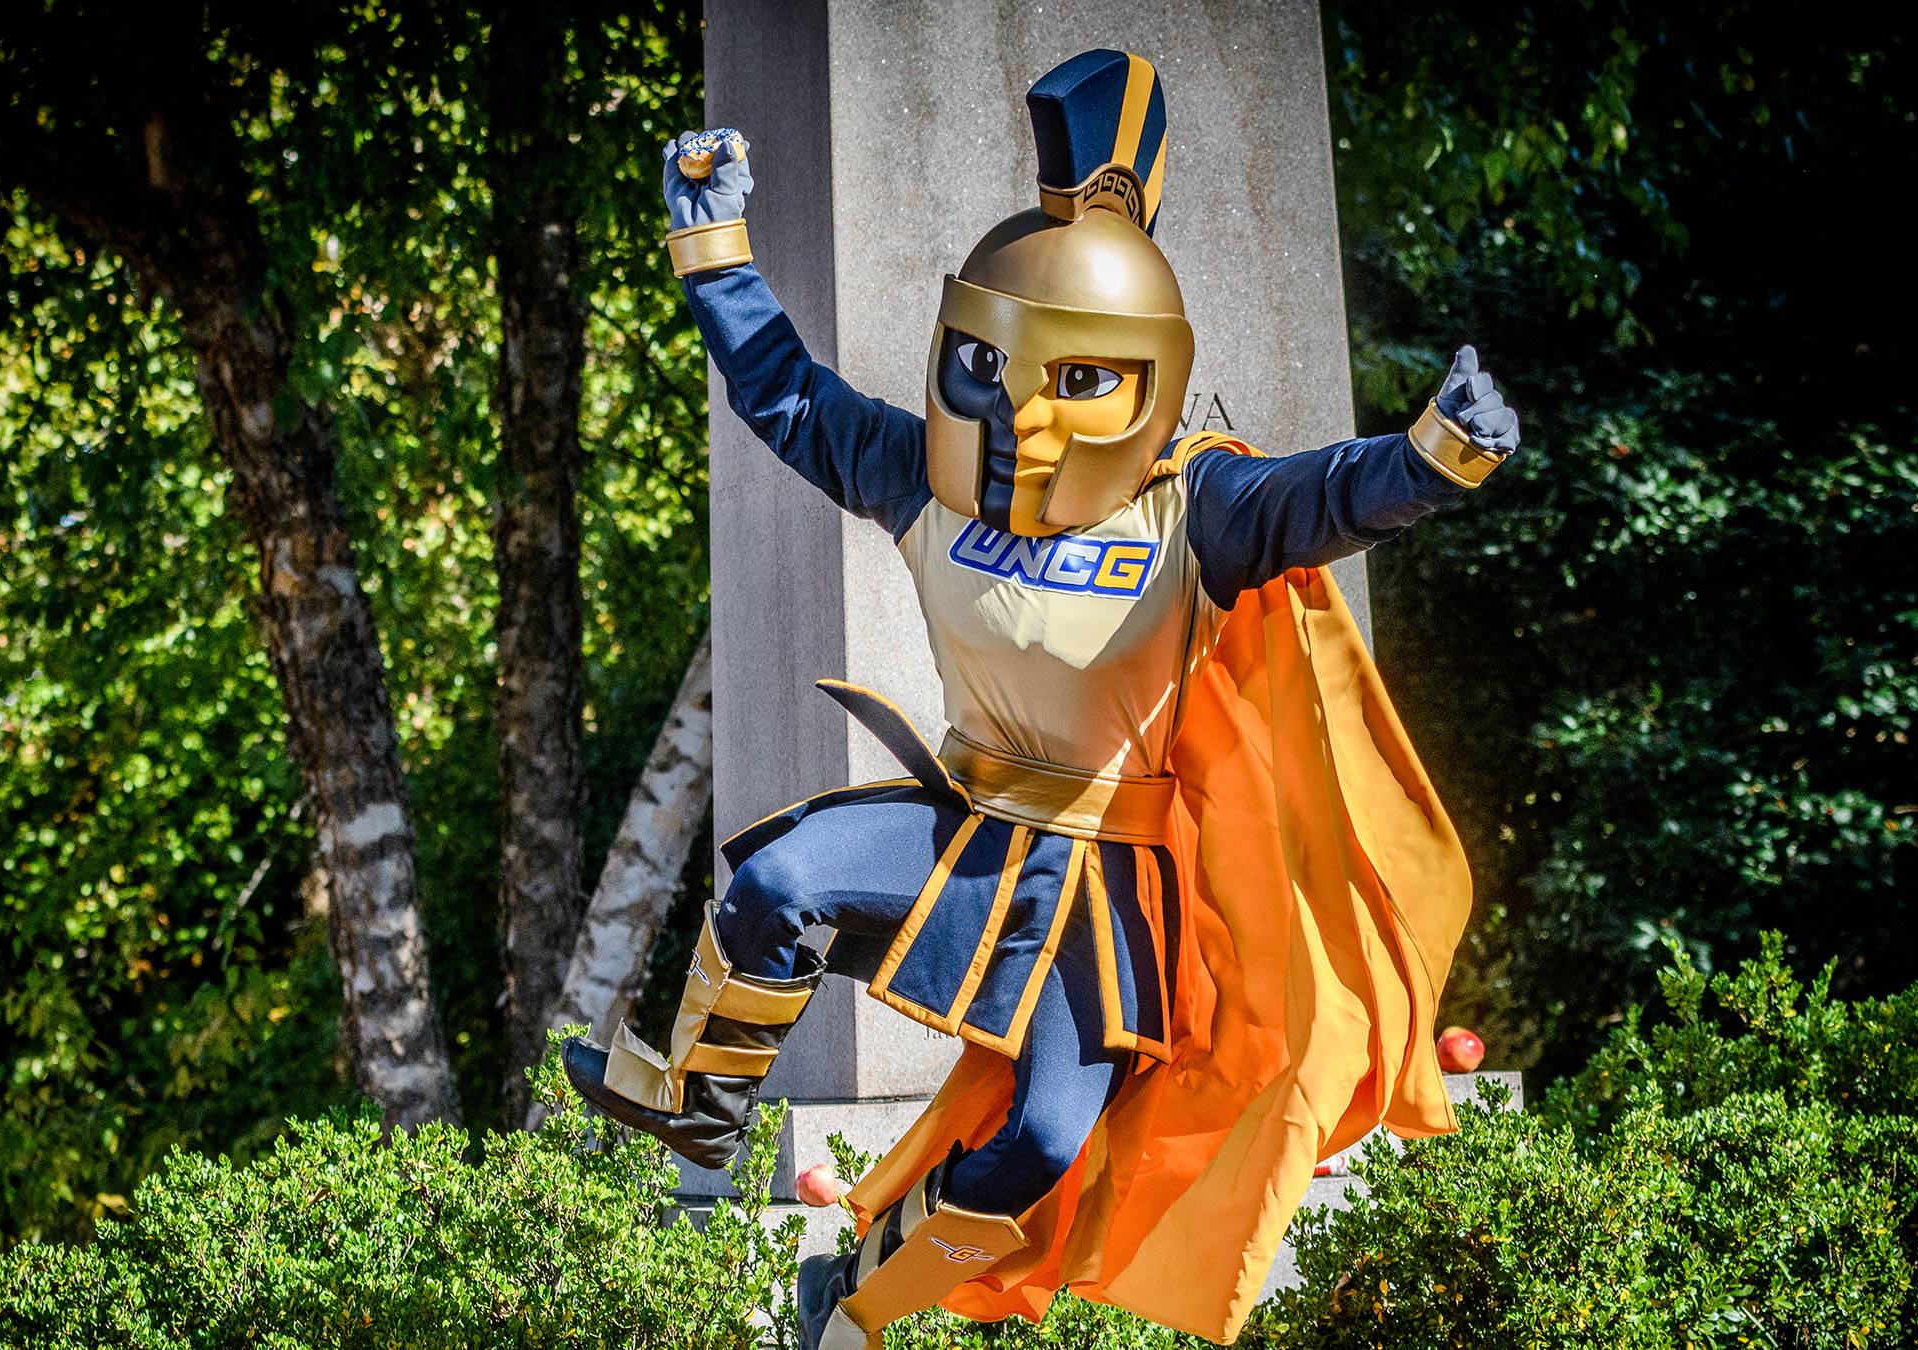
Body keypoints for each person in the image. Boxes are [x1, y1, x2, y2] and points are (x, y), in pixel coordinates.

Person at [563, 49, 1521, 1350]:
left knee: (1038, 1144)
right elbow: (787, 397)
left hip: (1106, 882)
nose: (1024, 415)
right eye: (996, 370)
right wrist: (714, 242)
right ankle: (697, 1129)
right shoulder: (927, 483)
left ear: (1142, 378)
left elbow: (1325, 496)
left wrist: (1429, 455)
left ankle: (852, 1304)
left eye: (1077, 380)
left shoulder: (1198, 508)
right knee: (775, 885)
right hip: (961, 826)